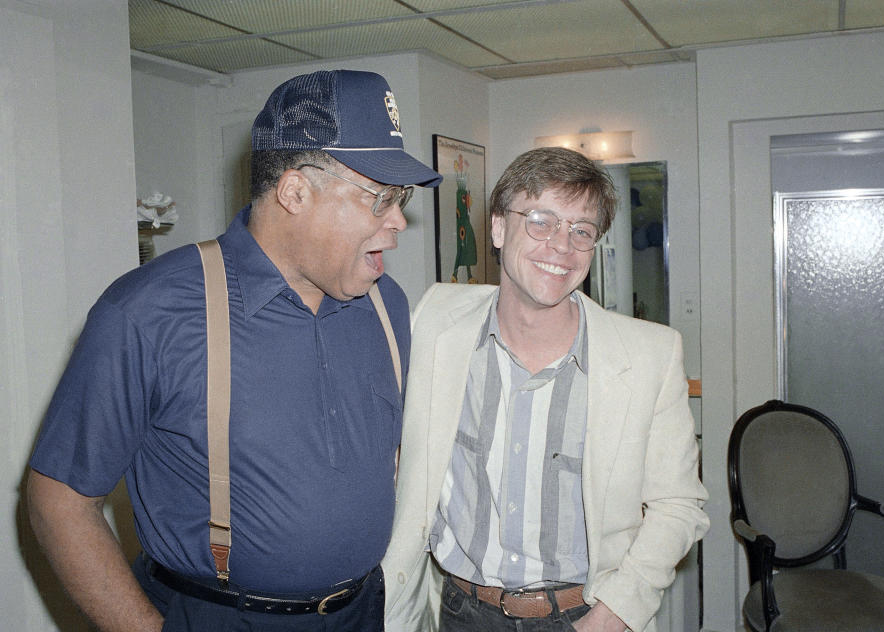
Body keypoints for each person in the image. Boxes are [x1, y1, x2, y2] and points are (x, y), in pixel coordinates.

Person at [26, 69, 441, 632]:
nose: (398, 222)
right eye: (380, 198)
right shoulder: (151, 311)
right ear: (295, 191)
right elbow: (58, 500)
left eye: (402, 198)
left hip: (364, 613)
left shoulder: (384, 304)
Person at [383, 147, 709, 632]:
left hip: (584, 614)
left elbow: (678, 505)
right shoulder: (434, 320)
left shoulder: (649, 356)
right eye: (541, 220)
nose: (562, 245)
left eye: (582, 230)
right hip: (458, 611)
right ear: (497, 228)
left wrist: (614, 613)